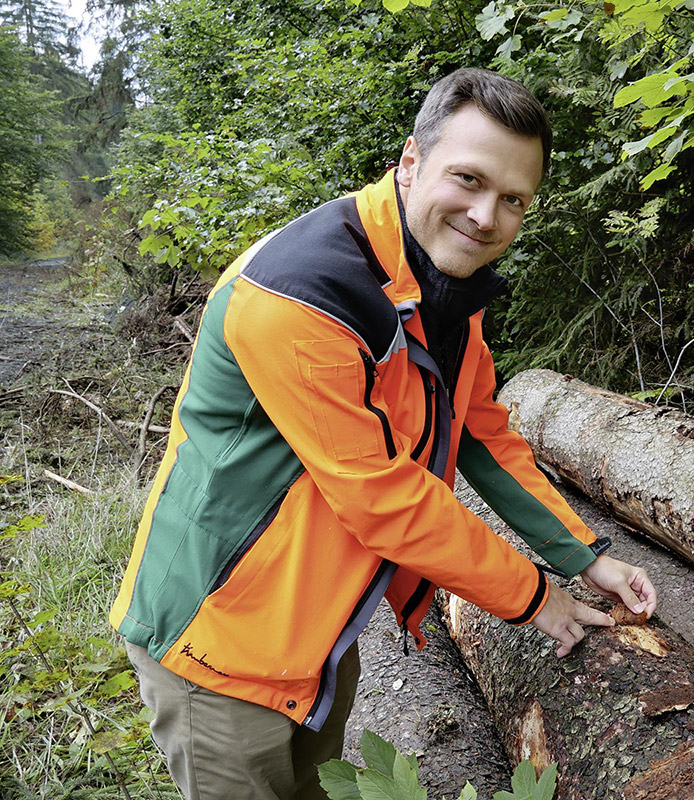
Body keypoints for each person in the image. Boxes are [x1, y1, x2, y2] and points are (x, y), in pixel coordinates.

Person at [110, 67, 657, 800]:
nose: (486, 216)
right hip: (220, 643)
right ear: (409, 162)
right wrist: (535, 597)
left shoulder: (436, 283)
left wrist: (584, 556)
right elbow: (383, 498)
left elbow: (482, 434)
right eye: (468, 179)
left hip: (319, 627)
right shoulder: (302, 293)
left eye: (513, 199)